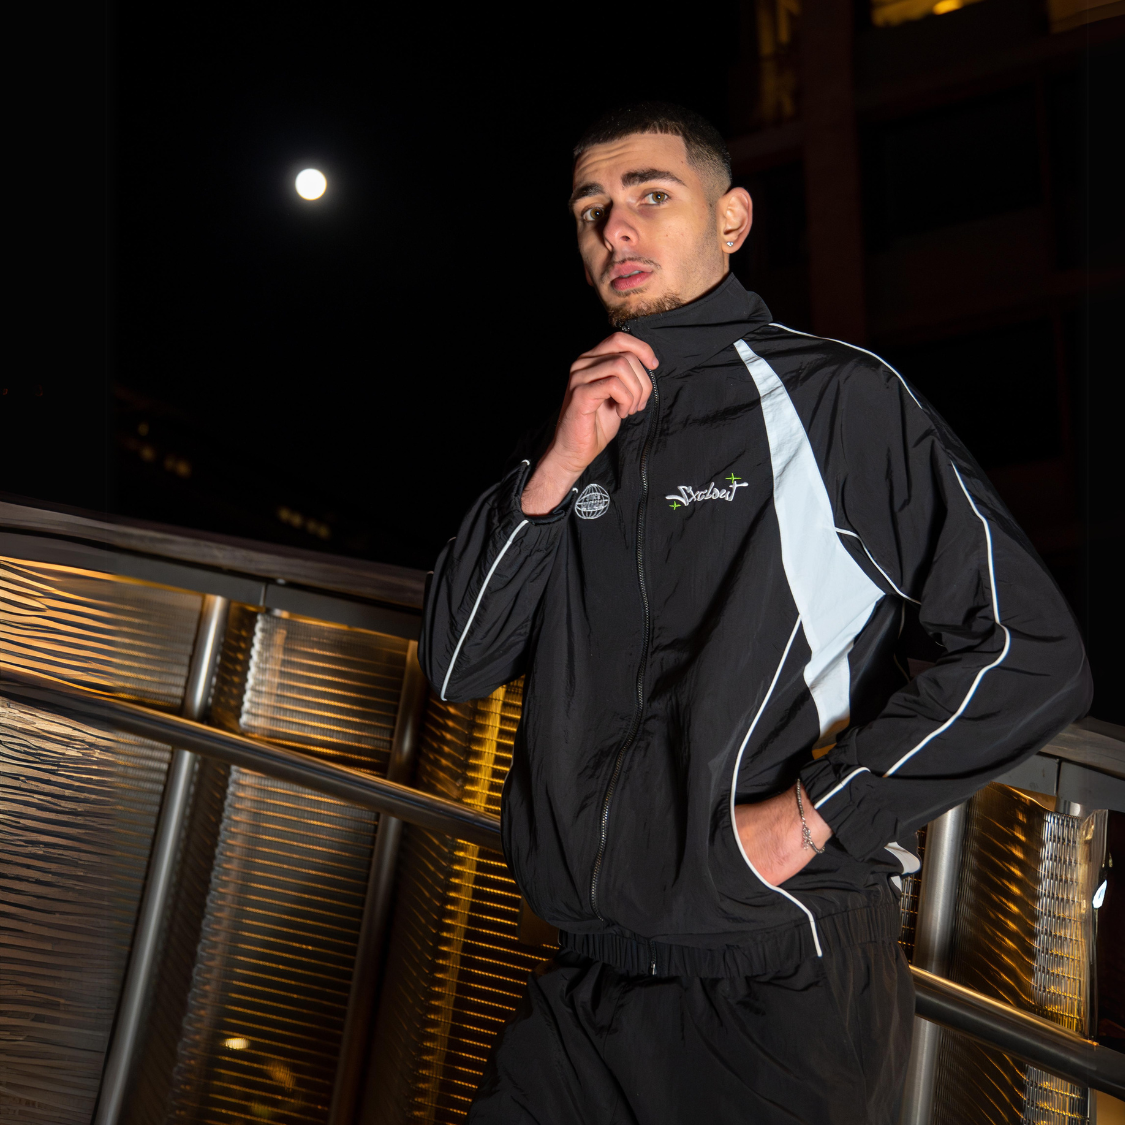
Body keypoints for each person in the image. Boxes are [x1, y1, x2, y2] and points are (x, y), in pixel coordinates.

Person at [419, 102, 1091, 1125]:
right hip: (583, 978)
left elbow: (1030, 653)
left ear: (730, 221)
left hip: (774, 983)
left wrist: (820, 815)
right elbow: (462, 662)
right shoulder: (575, 423)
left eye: (652, 197)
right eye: (592, 210)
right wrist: (552, 470)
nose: (617, 231)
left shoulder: (836, 399)